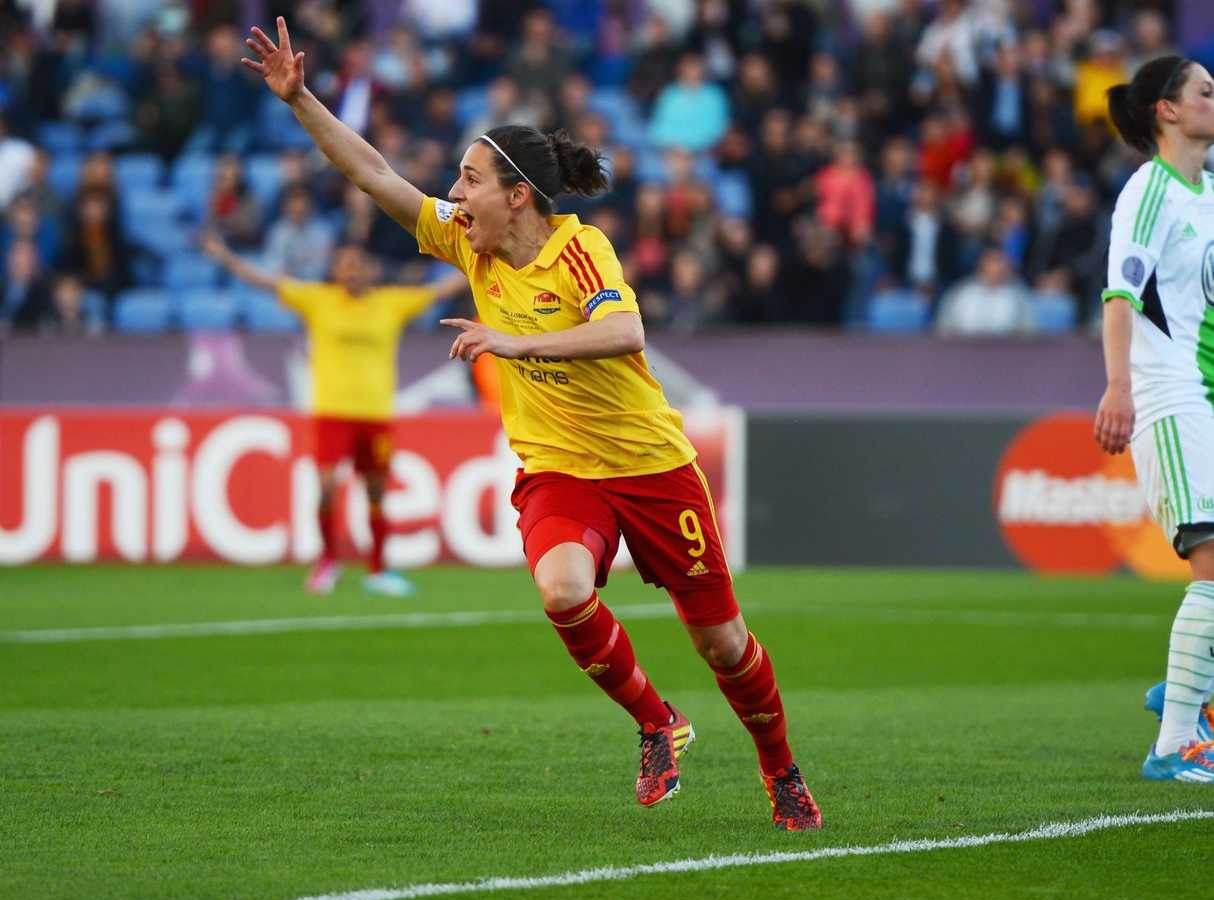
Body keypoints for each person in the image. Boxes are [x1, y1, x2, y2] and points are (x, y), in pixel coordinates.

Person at [239, 16, 822, 830]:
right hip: (559, 468)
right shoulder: (467, 245)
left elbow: (628, 331)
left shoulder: (580, 251)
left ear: (517, 195)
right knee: (560, 588)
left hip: (651, 466)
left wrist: (512, 342)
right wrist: (302, 101)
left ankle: (781, 769)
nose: (453, 193)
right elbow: (376, 175)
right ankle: (658, 723)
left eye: (469, 179)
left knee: (723, 644)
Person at [201, 232, 465, 597]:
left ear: (370, 269)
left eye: (358, 264)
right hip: (332, 412)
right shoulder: (318, 301)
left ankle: (378, 569)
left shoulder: (393, 303)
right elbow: (267, 281)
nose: (352, 270)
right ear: (336, 270)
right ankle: (328, 561)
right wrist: (226, 257)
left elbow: (441, 291)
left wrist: (481, 256)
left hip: (375, 415)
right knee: (326, 489)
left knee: (376, 492)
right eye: (346, 264)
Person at [1096, 55, 1214, 783]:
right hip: (1169, 397)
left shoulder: (1208, 192)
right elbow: (1121, 296)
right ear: (1167, 110)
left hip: (1208, 394)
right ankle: (1174, 743)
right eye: (1206, 90)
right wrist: (1117, 387)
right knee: (1211, 561)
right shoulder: (1150, 190)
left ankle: (1187, 691)